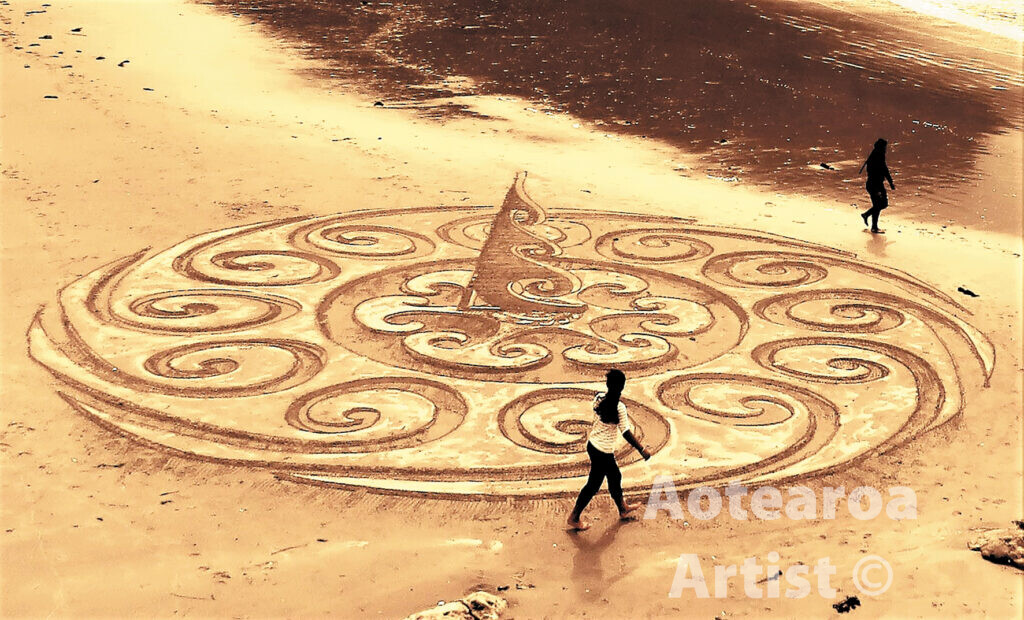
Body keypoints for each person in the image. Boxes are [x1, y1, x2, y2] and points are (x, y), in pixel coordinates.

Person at [567, 369, 652, 531]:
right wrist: (641, 449)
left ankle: (622, 508)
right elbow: (626, 432)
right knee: (593, 485)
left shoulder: (598, 399)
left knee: (614, 476)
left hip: (593, 445)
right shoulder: (619, 408)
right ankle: (574, 517)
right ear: (622, 387)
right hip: (603, 451)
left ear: (607, 385)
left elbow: (602, 411)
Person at [859, 138, 895, 233]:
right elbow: (884, 170)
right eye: (885, 147)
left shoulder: (874, 156)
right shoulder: (878, 157)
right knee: (881, 204)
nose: (886, 149)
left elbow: (882, 170)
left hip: (873, 184)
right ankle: (871, 223)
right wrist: (890, 182)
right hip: (875, 185)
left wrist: (889, 182)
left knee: (879, 204)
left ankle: (870, 221)